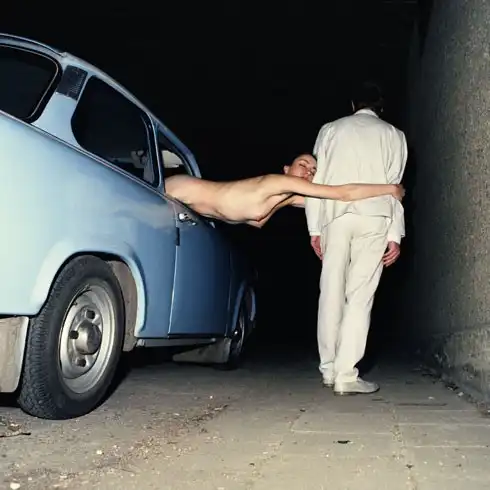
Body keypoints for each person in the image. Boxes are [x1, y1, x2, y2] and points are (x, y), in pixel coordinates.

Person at [305, 81, 408, 396]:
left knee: (330, 292)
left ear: (353, 105)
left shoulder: (330, 130)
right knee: (360, 296)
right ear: (381, 106)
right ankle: (346, 375)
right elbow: (395, 188)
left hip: (335, 216)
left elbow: (317, 181)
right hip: (375, 216)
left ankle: (328, 368)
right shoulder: (395, 135)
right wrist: (395, 233)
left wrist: (315, 228)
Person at [165, 153, 404, 228]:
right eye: (303, 164)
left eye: (313, 170)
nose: (308, 172)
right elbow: (342, 193)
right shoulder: (278, 182)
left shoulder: (285, 199)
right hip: (183, 189)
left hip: (186, 208)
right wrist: (390, 188)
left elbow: (341, 199)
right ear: (287, 169)